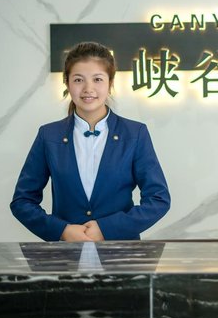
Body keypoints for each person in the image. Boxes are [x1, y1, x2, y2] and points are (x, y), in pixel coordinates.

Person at [11, 42, 170, 241]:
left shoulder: (135, 133)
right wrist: (61, 230)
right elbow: (22, 201)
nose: (88, 89)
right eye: (78, 80)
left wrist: (107, 228)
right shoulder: (49, 135)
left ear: (110, 83)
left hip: (122, 253)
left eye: (97, 79)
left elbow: (158, 199)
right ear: (67, 83)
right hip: (67, 254)